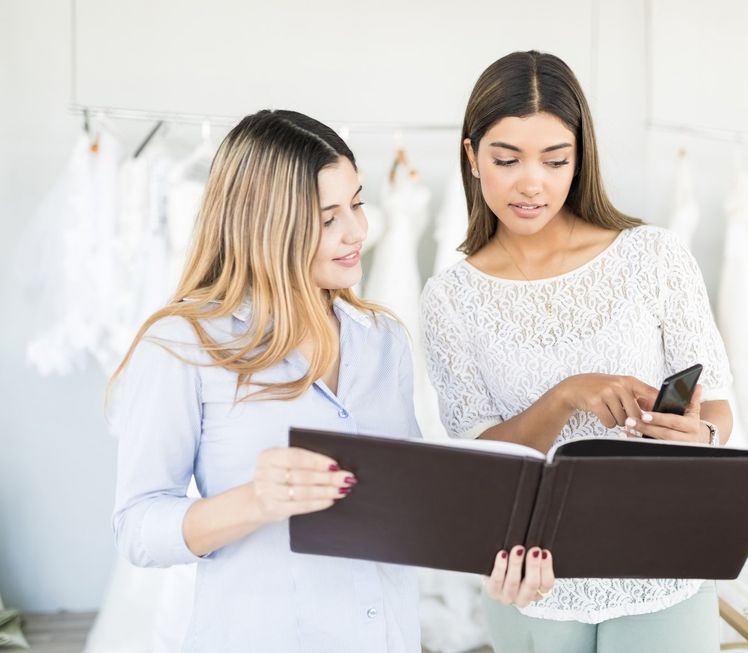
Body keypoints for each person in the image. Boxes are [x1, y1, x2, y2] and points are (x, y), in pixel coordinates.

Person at [108, 109, 552, 652]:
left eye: (357, 204)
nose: (358, 231)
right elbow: (138, 528)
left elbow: (408, 507)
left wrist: (496, 561)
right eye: (328, 218)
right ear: (264, 226)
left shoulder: (382, 339)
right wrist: (256, 501)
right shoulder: (183, 345)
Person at [422, 51, 733, 653]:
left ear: (579, 159)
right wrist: (565, 396)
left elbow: (716, 406)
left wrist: (703, 438)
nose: (531, 183)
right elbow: (481, 460)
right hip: (531, 578)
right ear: (472, 157)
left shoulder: (654, 256)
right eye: (506, 159)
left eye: (555, 160)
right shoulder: (450, 297)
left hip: (662, 560)